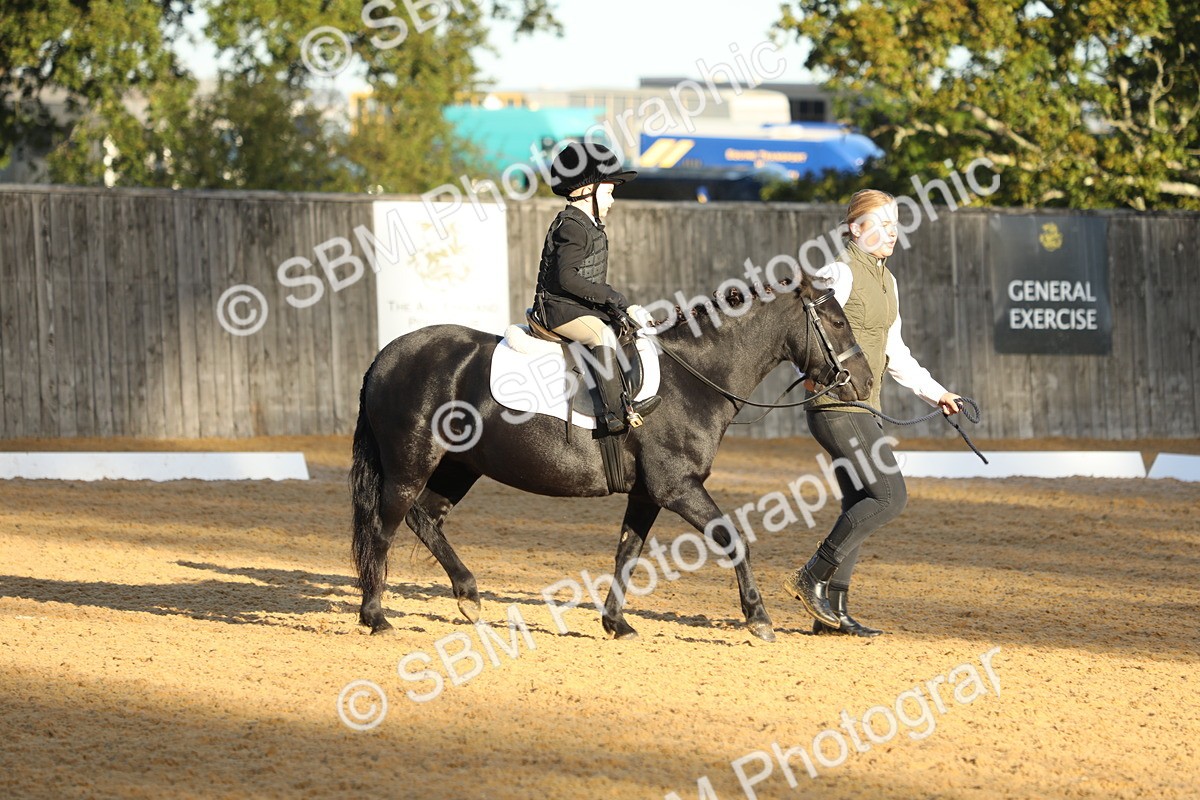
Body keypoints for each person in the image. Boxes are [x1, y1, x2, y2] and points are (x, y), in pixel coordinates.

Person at [784, 189, 963, 637]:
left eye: (895, 224)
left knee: (859, 502)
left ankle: (833, 613)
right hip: (836, 406)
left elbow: (896, 352)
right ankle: (812, 577)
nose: (891, 233)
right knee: (889, 496)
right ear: (854, 229)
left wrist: (936, 392)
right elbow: (803, 330)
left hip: (868, 406)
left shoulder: (889, 282)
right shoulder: (838, 273)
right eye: (880, 224)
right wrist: (813, 370)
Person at [531, 141, 660, 434]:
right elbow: (567, 279)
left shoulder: (588, 224)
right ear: (586, 191)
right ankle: (614, 412)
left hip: (576, 306)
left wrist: (619, 306)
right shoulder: (572, 226)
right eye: (609, 192)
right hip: (557, 309)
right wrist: (610, 296)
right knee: (601, 334)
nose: (612, 201)